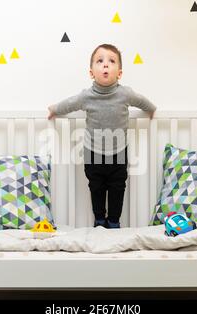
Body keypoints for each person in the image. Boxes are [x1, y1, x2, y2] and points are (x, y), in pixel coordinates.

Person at [47, 44, 157, 228]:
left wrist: (151, 109)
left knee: (118, 187)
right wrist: (54, 109)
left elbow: (141, 100)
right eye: (100, 61)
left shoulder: (125, 94)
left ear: (119, 73)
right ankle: (99, 219)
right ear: (91, 73)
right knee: (96, 187)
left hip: (119, 152)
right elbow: (70, 103)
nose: (105, 65)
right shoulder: (87, 96)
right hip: (93, 152)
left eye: (111, 61)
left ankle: (114, 221)